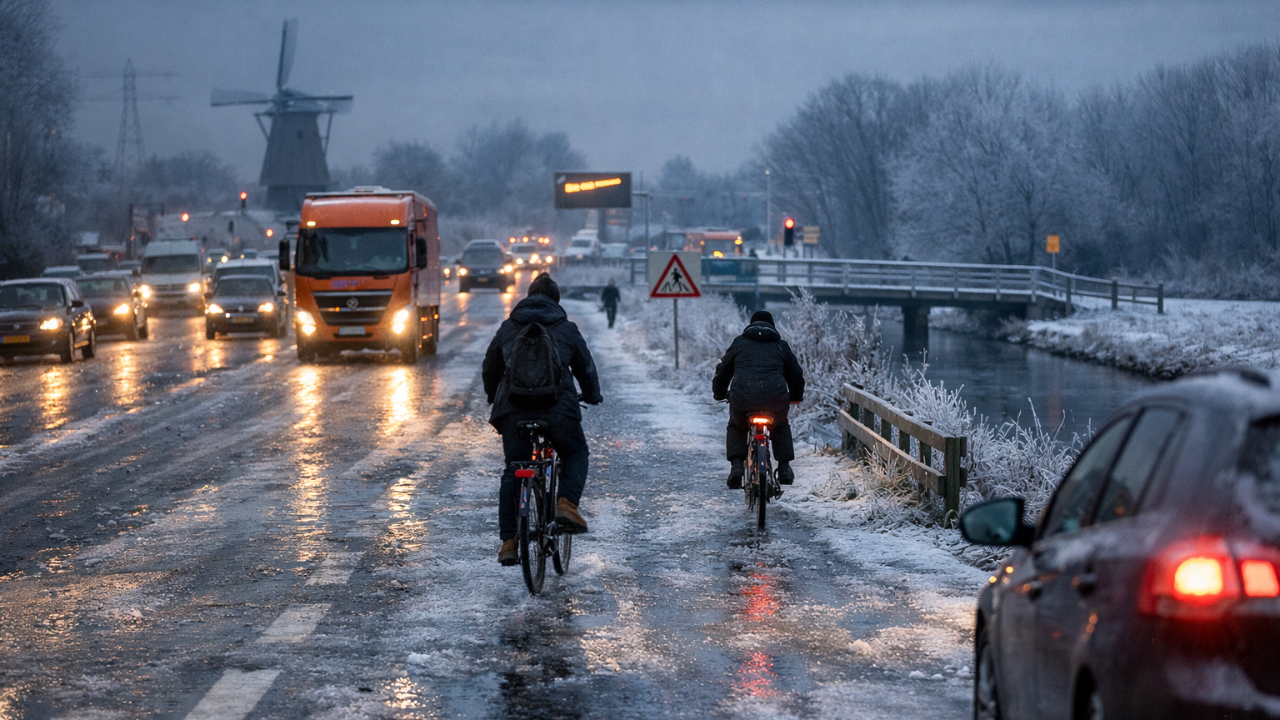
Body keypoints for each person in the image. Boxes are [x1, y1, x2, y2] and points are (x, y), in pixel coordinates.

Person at [482, 272, 603, 566]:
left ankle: (510, 542)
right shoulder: (566, 327)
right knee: (575, 452)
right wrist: (591, 394)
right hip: (557, 409)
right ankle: (566, 504)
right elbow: (586, 368)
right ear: (556, 301)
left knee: (514, 470)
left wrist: (493, 398)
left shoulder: (509, 327)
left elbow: (490, 368)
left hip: (513, 411)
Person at [712, 310, 805, 488]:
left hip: (743, 399)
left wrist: (719, 393)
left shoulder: (739, 343)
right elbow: (796, 375)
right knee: (780, 425)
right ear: (773, 327)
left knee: (737, 426)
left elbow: (723, 371)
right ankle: (784, 467)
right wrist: (796, 397)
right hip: (774, 400)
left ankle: (737, 466)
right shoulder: (780, 346)